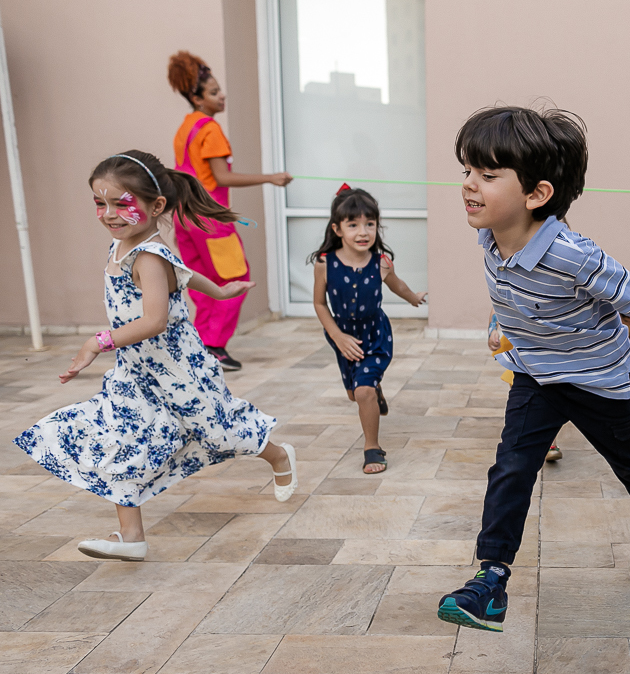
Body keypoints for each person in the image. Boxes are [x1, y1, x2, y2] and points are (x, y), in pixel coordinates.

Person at [438, 106, 630, 633]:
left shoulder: (573, 254)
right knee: (511, 467)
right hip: (536, 375)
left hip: (599, 379)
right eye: (466, 171)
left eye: (487, 176)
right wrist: (505, 323)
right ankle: (491, 581)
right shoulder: (490, 235)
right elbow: (514, 287)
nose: (468, 186)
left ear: (537, 195)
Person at [13, 151, 298, 562]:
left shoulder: (147, 254)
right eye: (100, 203)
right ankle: (132, 539)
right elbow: (182, 272)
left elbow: (154, 320)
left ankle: (278, 453)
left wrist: (97, 342)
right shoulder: (122, 244)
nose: (109, 213)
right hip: (136, 372)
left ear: (156, 206)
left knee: (218, 432)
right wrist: (217, 289)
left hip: (179, 370)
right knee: (119, 437)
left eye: (120, 204)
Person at [167, 51, 293, 372]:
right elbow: (222, 177)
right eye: (213, 92)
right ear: (196, 97)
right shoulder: (210, 129)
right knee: (235, 279)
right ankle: (213, 346)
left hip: (185, 216)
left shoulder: (186, 127)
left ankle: (201, 342)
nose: (222, 96)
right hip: (210, 219)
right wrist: (271, 178)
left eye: (219, 90)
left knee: (204, 281)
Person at [310, 185, 428, 474]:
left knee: (363, 392)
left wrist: (412, 297)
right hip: (343, 336)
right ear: (338, 229)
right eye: (353, 225)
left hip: (375, 334)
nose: (363, 232)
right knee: (355, 394)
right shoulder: (325, 264)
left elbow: (396, 283)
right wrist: (337, 336)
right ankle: (374, 390)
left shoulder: (381, 263)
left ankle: (371, 448)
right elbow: (319, 304)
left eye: (370, 224)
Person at [488, 308, 564, 462]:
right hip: (518, 343)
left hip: (545, 342)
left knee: (550, 393)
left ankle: (551, 442)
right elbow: (496, 306)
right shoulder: (507, 284)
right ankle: (520, 438)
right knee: (519, 392)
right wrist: (493, 330)